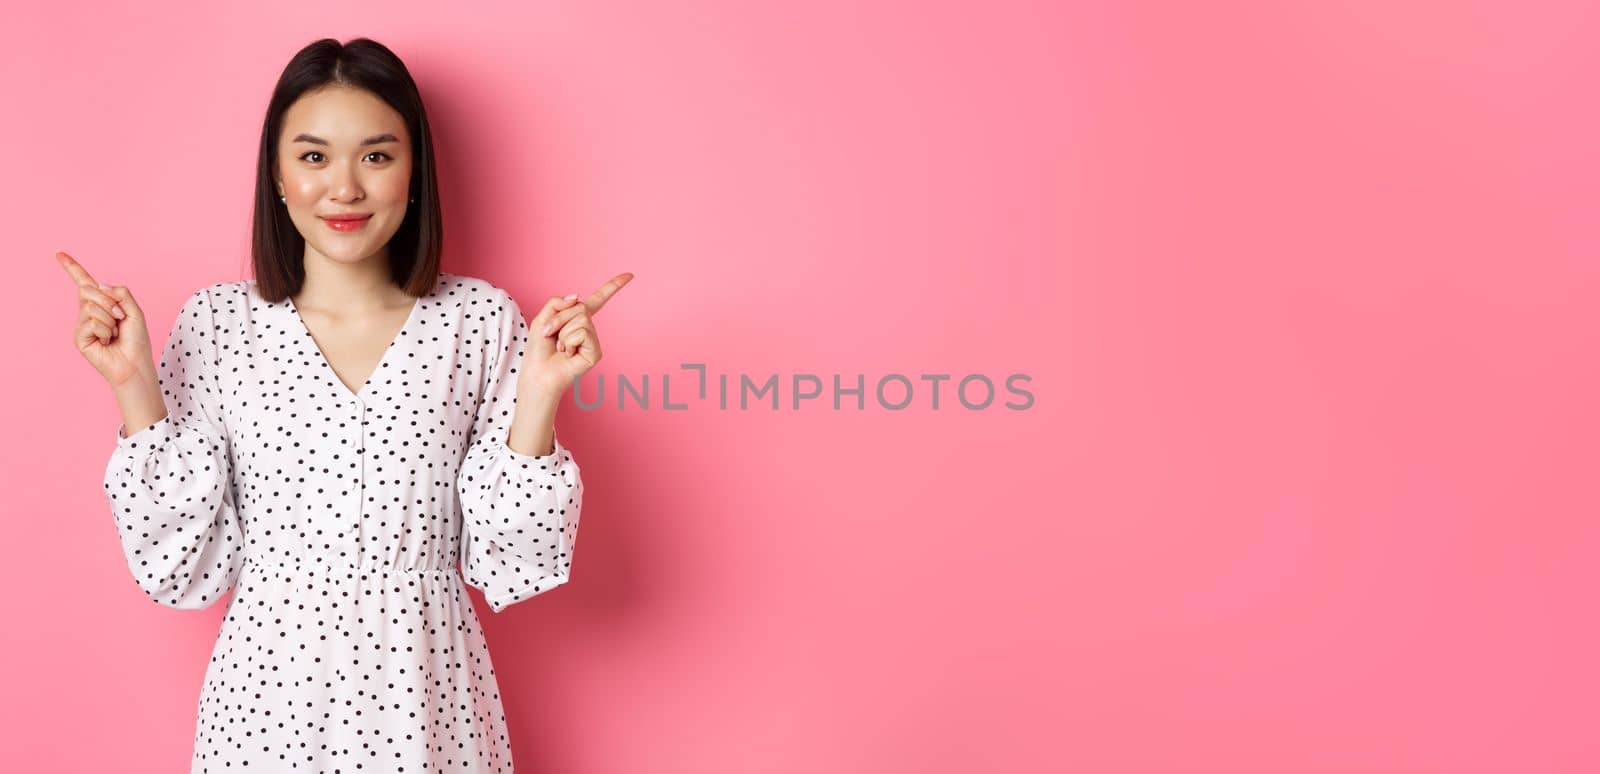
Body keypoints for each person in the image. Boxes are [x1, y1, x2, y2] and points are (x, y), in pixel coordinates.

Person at [57, 37, 631, 772]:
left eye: (378, 155)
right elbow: (182, 567)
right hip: (265, 713)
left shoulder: (479, 322)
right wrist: (133, 384)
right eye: (315, 156)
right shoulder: (219, 324)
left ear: (415, 169)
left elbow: (510, 565)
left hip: (428, 703)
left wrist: (541, 397)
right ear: (278, 174)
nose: (346, 189)